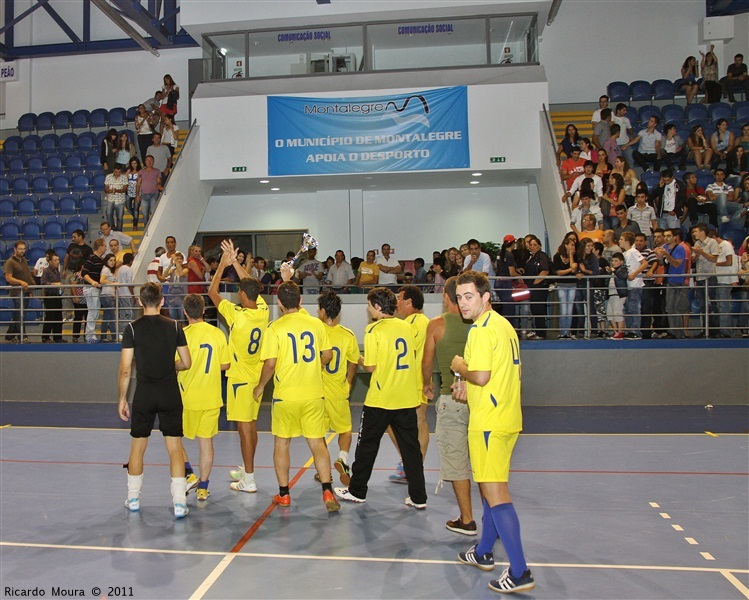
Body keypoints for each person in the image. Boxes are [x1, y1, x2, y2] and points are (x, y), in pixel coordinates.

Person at [450, 271, 535, 594]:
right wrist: (468, 388)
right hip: (507, 417)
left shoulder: (481, 330)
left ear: (486, 297)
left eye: (469, 296)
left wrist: (460, 368)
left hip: (489, 422)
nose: (463, 303)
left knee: (496, 493)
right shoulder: (503, 325)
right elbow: (500, 374)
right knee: (489, 487)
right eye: (459, 297)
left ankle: (520, 571)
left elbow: (482, 375)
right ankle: (484, 551)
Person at [335, 286, 426, 509]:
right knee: (411, 449)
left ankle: (357, 491)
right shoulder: (406, 327)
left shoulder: (374, 330)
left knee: (367, 446)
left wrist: (360, 359)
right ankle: (418, 497)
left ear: (377, 306)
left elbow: (372, 365)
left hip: (381, 399)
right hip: (405, 398)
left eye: (369, 305)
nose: (368, 309)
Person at [253, 280, 339, 512]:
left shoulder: (274, 328)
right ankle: (328, 490)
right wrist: (313, 366)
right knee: (317, 443)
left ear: (279, 303)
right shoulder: (316, 324)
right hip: (313, 393)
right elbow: (328, 355)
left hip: (285, 396)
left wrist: (261, 386)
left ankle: (284, 494)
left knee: (282, 443)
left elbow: (270, 364)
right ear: (301, 301)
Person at [118, 282, 192, 517]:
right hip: (170, 393)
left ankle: (133, 498)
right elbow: (187, 362)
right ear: (162, 301)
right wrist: (171, 367)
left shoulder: (131, 328)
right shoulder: (175, 326)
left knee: (138, 447)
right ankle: (179, 503)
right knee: (175, 448)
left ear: (140, 302)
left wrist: (122, 398)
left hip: (145, 394)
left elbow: (125, 368)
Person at [208, 240, 269, 494]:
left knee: (244, 431)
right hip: (257, 377)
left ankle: (250, 480)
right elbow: (251, 285)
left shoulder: (237, 315)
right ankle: (247, 469)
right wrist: (236, 262)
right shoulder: (263, 310)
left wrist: (222, 266)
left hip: (241, 380)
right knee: (251, 426)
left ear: (243, 296)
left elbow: (212, 292)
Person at [419, 276, 475, 533]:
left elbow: (427, 362)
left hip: (451, 399)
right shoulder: (479, 324)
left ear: (446, 296)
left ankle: (466, 518)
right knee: (483, 463)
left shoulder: (436, 325)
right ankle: (493, 519)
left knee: (456, 461)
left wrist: (426, 383)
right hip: (479, 400)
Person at [178, 294, 230, 501]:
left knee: (173, 438)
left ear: (184, 312)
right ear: (203, 311)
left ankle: (189, 473)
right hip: (211, 397)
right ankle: (203, 487)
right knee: (206, 443)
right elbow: (226, 365)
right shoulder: (217, 334)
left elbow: (177, 363)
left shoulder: (181, 334)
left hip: (187, 397)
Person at [386, 285, 430, 484]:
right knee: (414, 422)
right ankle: (411, 464)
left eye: (400, 299)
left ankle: (412, 466)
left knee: (414, 422)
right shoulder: (422, 322)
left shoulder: (413, 324)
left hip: (412, 382)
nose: (397, 303)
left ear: (410, 302)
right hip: (414, 381)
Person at [317, 291, 359, 485]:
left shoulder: (316, 332)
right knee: (345, 430)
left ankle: (324, 471)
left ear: (323, 311)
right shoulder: (348, 335)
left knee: (319, 434)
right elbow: (353, 362)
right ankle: (342, 458)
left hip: (318, 392)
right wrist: (349, 381)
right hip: (339, 390)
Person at [655, 228, 689, 339]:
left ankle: (678, 332)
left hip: (679, 282)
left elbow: (676, 264)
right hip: (669, 281)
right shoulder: (664, 248)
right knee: (669, 307)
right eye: (665, 236)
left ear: (675, 237)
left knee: (677, 308)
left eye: (668, 235)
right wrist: (659, 256)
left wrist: (666, 255)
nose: (666, 238)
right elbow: (661, 263)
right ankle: (673, 330)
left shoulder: (679, 248)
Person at [619, 231, 648, 339]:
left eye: (621, 239)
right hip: (628, 284)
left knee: (634, 307)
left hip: (635, 284)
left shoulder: (633, 251)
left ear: (627, 241)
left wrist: (635, 274)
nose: (619, 241)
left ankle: (635, 331)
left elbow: (645, 263)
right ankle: (630, 329)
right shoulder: (625, 253)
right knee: (628, 308)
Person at [522, 235, 551, 340]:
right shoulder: (530, 258)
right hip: (532, 288)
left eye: (535, 245)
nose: (533, 247)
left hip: (539, 288)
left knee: (539, 309)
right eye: (531, 245)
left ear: (539, 246)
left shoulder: (542, 256)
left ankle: (541, 333)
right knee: (534, 309)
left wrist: (535, 283)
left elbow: (545, 271)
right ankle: (536, 330)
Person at [80, 238, 107, 344]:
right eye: (104, 246)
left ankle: (91, 334)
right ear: (100, 247)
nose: (105, 248)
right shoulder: (91, 258)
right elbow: (84, 273)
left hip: (95, 289)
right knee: (92, 312)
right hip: (91, 288)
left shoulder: (99, 259)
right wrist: (92, 282)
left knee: (95, 312)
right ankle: (89, 335)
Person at [553, 237, 579, 340]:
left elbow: (574, 269)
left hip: (572, 284)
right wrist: (569, 269)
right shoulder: (557, 257)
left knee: (570, 309)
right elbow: (558, 272)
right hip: (562, 285)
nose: (573, 247)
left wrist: (571, 255)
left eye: (574, 245)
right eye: (571, 245)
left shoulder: (575, 256)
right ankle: (562, 332)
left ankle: (567, 332)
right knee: (563, 309)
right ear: (565, 245)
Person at [40, 252, 65, 343]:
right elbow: (43, 283)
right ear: (50, 261)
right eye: (55, 260)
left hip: (57, 296)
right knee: (50, 317)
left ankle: (58, 337)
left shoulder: (57, 271)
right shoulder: (46, 271)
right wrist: (55, 284)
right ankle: (45, 337)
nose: (58, 261)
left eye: (58, 260)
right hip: (50, 296)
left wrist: (61, 287)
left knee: (58, 316)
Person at [136, 155, 163, 229]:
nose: (149, 162)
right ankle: (146, 229)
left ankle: (153, 228)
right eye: (147, 160)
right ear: (145, 162)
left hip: (154, 194)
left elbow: (159, 181)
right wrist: (137, 195)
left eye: (151, 160)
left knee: (153, 211)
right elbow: (138, 184)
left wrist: (159, 184)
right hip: (144, 195)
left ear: (153, 162)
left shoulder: (157, 171)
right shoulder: (141, 172)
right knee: (145, 214)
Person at [99, 253, 118, 342]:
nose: (113, 262)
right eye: (110, 260)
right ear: (106, 260)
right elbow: (102, 280)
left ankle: (103, 336)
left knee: (107, 316)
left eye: (114, 260)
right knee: (111, 316)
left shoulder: (109, 270)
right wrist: (113, 284)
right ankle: (114, 336)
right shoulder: (106, 270)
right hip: (106, 295)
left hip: (108, 295)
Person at [104, 163, 128, 232]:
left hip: (120, 200)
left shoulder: (124, 177)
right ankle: (112, 228)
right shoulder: (108, 177)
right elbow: (105, 189)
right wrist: (110, 191)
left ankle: (119, 231)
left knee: (120, 217)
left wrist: (116, 190)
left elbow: (124, 189)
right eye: (116, 172)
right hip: (111, 199)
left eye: (119, 172)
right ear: (113, 170)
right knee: (108, 214)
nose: (117, 173)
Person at [116, 253, 135, 341]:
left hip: (121, 294)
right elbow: (129, 284)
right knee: (129, 314)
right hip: (127, 294)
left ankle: (121, 333)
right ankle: (126, 333)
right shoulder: (128, 269)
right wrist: (133, 295)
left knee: (123, 314)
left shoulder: (120, 269)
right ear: (131, 261)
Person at [125, 157, 141, 231]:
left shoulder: (141, 171)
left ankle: (135, 224)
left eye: (135, 163)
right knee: (128, 206)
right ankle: (135, 217)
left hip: (137, 192)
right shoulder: (129, 170)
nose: (134, 165)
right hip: (129, 191)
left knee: (136, 209)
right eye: (132, 163)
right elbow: (125, 179)